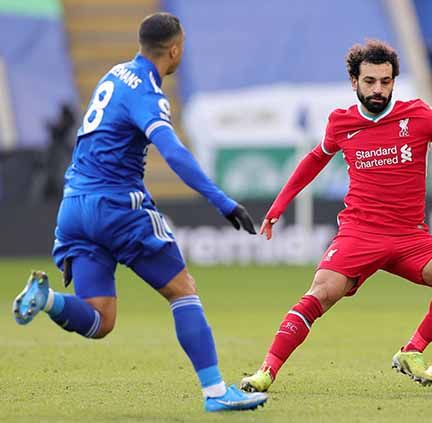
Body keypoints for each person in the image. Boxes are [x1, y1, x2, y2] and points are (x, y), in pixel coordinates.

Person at [11, 13, 267, 412]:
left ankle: (46, 301)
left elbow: (97, 143)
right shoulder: (148, 94)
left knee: (100, 319)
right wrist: (223, 201)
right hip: (116, 208)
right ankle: (216, 392)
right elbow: (175, 153)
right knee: (182, 290)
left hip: (74, 205)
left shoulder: (114, 75)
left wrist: (78, 224)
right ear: (176, 49)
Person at [239, 39, 432, 393]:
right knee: (320, 294)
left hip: (409, 236)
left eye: (385, 82)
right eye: (370, 81)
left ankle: (412, 352)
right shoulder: (342, 123)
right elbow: (314, 159)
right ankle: (266, 371)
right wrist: (279, 205)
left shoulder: (417, 114)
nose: (378, 89)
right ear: (353, 81)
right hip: (360, 233)